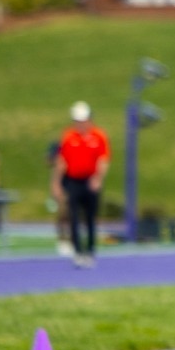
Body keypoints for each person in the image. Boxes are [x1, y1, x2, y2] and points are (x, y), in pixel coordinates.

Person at [53, 102, 109, 269]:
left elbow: (103, 159)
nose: (79, 124)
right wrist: (56, 182)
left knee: (91, 218)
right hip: (73, 181)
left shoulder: (98, 136)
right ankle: (78, 251)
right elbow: (61, 160)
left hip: (90, 180)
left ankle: (90, 251)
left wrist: (98, 178)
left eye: (82, 120)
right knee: (74, 217)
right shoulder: (68, 136)